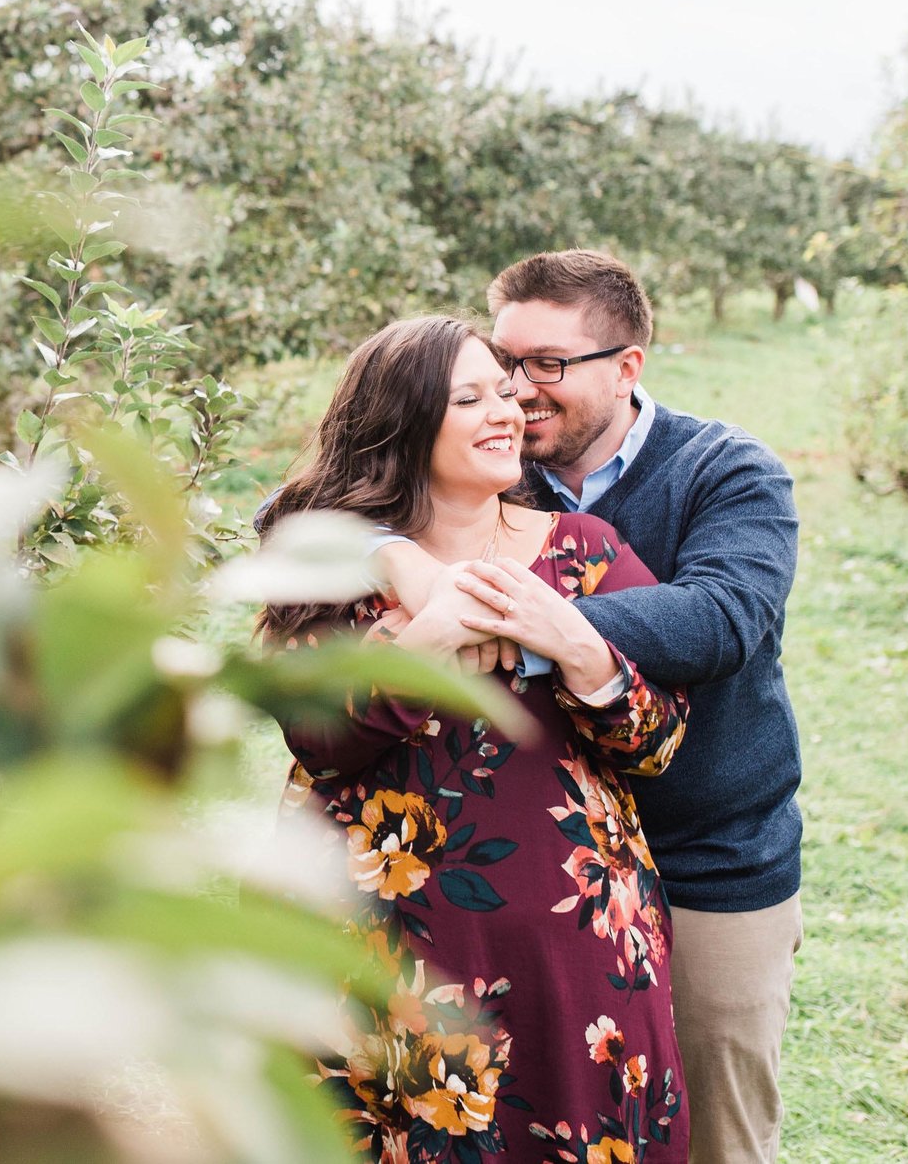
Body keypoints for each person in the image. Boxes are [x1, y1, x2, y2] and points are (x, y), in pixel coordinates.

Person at [387, 251, 804, 1164]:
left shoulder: (725, 470)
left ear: (628, 367)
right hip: (539, 877)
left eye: (548, 365)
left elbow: (721, 615)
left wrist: (535, 622)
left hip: (704, 856)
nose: (519, 392)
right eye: (504, 363)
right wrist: (404, 567)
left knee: (717, 1133)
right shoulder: (496, 464)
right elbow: (308, 505)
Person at [260, 315, 690, 1164]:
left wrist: (576, 643)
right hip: (381, 953)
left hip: (574, 953)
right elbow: (316, 735)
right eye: (471, 397)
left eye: (506, 390)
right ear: (405, 421)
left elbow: (659, 738)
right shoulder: (333, 564)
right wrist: (434, 633)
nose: (507, 410)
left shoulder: (586, 554)